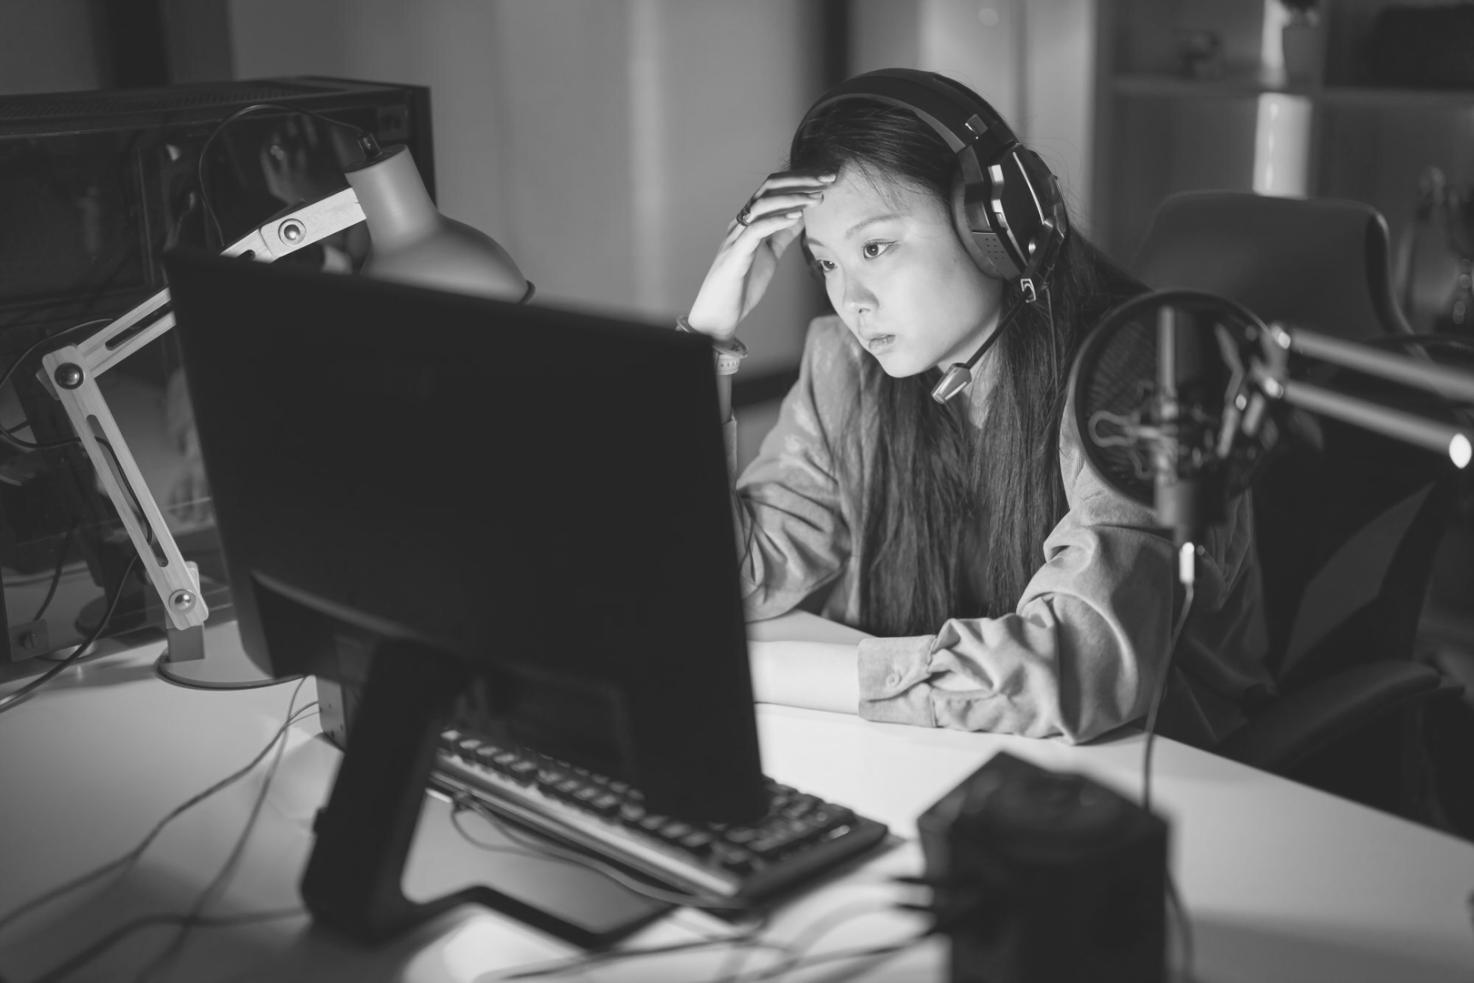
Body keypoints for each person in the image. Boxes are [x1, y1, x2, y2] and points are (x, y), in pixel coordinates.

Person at [682, 68, 1271, 747]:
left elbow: (1081, 660)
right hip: (951, 754)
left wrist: (787, 674)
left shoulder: (1136, 371)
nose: (853, 300)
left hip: (1167, 773)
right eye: (828, 264)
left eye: (876, 247)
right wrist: (704, 347)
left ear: (995, 225)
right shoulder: (843, 364)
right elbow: (732, 574)